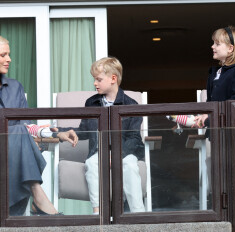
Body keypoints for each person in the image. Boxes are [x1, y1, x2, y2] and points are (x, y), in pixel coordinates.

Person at [55, 57, 145, 215]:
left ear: (113, 79)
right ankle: (98, 212)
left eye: (98, 79)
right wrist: (61, 131)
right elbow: (85, 129)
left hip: (125, 152)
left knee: (130, 165)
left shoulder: (131, 105)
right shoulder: (92, 103)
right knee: (91, 163)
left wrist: (117, 154)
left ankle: (138, 214)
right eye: (94, 80)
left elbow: (134, 138)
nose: (95, 83)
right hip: (99, 151)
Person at [0, 35, 78, 216]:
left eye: (9, 54)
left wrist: (54, 133)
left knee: (19, 132)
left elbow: (25, 127)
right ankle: (38, 197)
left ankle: (35, 197)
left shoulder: (15, 87)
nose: (9, 59)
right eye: (3, 55)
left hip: (11, 155)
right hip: (8, 154)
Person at [194, 26, 235, 128]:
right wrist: (204, 116)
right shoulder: (215, 73)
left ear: (230, 48)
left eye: (217, 44)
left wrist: (209, 120)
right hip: (217, 133)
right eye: (213, 43)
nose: (212, 46)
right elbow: (210, 103)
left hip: (232, 133)